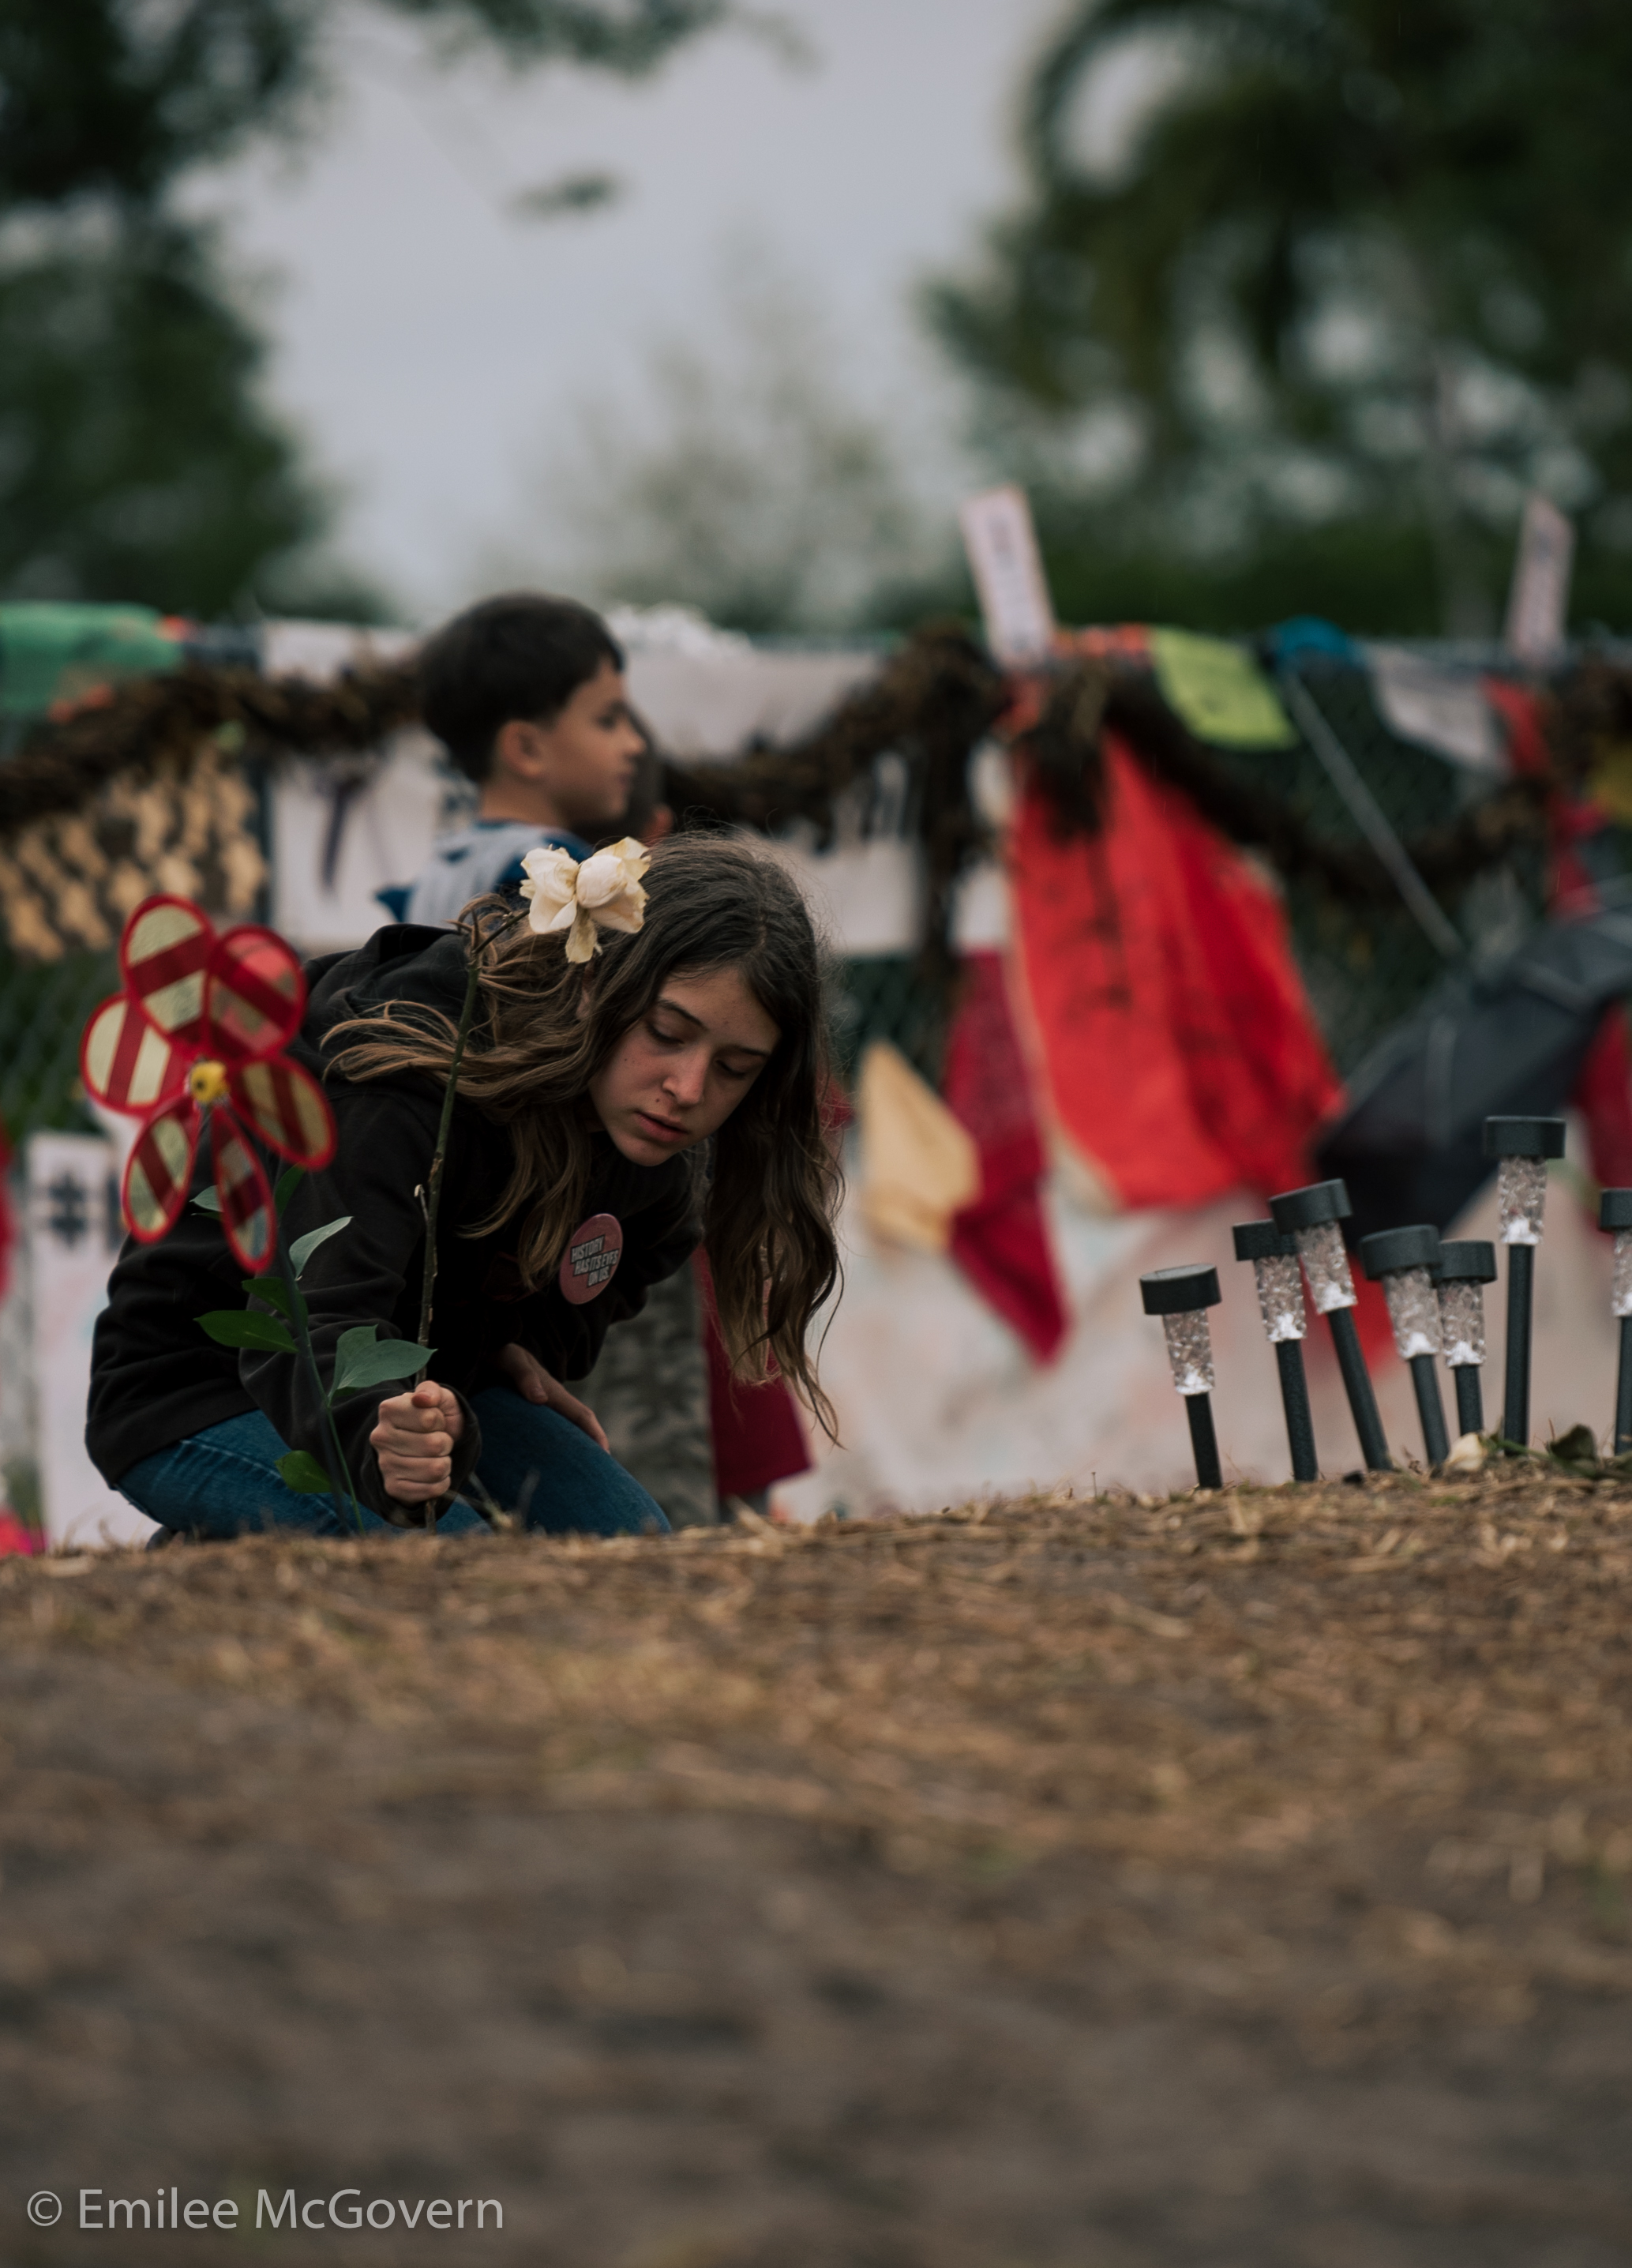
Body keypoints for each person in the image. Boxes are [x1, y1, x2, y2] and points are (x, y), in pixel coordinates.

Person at [85, 835, 840, 1541]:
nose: (688, 1087)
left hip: (421, 1383)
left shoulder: (658, 1162)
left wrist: (487, 1357)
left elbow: (565, 1318)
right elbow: (310, 1329)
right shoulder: (405, 1084)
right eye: (667, 1033)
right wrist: (396, 1438)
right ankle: (232, 1549)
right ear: (591, 984)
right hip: (206, 1388)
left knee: (628, 1545)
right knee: (452, 1564)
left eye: (736, 1068)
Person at [402, 591, 646, 925]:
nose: (635, 745)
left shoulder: (438, 869)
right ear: (527, 750)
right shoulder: (562, 876)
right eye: (608, 720)